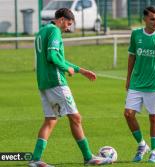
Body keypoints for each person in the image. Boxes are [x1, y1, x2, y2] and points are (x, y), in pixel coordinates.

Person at [29, 8, 111, 167]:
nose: (68, 27)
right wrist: (67, 69)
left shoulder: (42, 31)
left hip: (43, 82)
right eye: (68, 23)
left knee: (50, 120)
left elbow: (58, 57)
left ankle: (35, 159)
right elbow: (52, 57)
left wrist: (81, 70)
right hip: (56, 81)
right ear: (60, 19)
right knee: (75, 117)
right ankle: (88, 157)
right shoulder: (54, 31)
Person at [124, 6, 155, 163]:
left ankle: (154, 151)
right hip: (136, 82)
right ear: (144, 19)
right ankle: (142, 144)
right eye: (152, 19)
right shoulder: (136, 34)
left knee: (153, 117)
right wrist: (128, 78)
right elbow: (132, 56)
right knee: (128, 114)